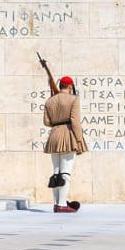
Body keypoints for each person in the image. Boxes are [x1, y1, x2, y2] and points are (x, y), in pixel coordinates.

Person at [43, 76, 88, 213]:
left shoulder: (49, 101)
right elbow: (75, 121)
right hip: (67, 134)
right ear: (70, 87)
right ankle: (62, 204)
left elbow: (46, 122)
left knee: (56, 173)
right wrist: (79, 139)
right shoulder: (73, 99)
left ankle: (57, 203)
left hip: (54, 136)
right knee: (65, 172)